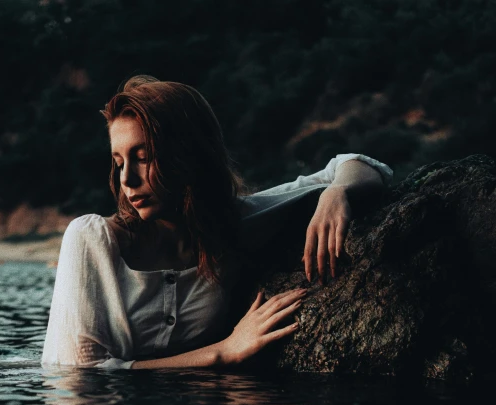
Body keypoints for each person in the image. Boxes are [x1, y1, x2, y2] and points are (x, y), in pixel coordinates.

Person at [42, 75, 392, 370]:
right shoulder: (91, 239)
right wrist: (223, 351)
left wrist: (337, 193)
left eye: (143, 157)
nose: (127, 179)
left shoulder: (232, 226)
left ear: (189, 156)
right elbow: (80, 376)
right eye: (118, 162)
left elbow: (359, 165)